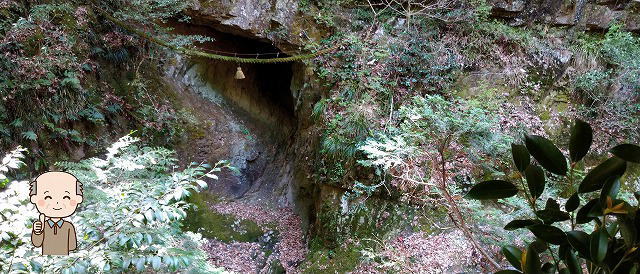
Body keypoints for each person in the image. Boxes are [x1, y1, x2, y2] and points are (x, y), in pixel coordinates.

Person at [29, 171, 83, 255]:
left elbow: (72, 246)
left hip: (64, 261)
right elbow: (37, 243)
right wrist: (37, 232)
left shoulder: (68, 226)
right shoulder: (44, 226)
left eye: (66, 197)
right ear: (34, 198)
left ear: (77, 199)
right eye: (48, 197)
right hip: (46, 259)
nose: (57, 203)